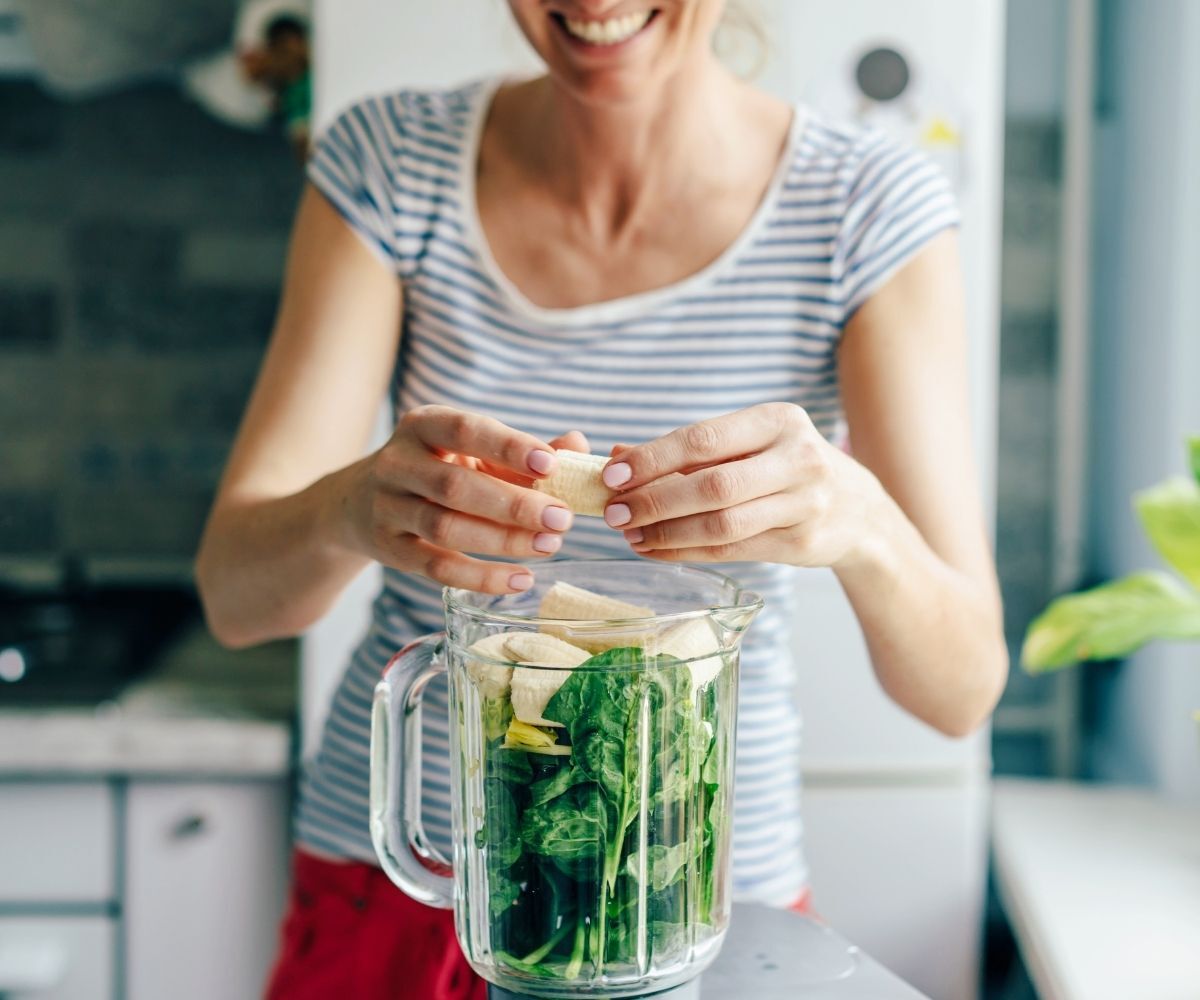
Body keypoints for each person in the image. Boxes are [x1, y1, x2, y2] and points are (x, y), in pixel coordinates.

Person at [195, 2, 1008, 997]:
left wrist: (863, 522)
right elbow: (237, 599)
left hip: (687, 908)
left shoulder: (867, 204)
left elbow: (961, 689)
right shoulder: (391, 160)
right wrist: (350, 507)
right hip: (402, 892)